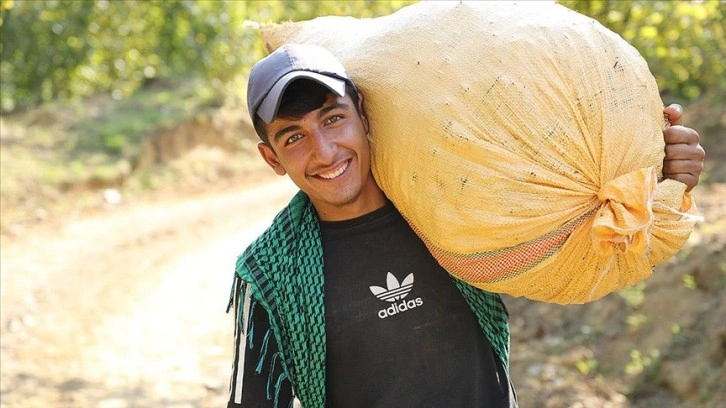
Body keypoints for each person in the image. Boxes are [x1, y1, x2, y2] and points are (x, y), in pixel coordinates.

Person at [226, 43, 705, 408]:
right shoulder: (270, 275)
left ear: (364, 117)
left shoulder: (448, 202)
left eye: (333, 119)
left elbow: (583, 231)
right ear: (271, 158)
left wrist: (656, 173)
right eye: (294, 137)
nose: (325, 152)